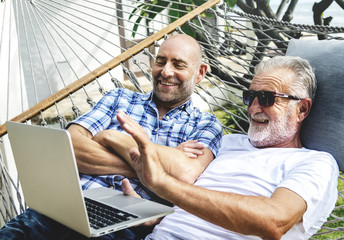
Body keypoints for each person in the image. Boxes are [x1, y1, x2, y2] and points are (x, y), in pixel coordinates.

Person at [0, 34, 222, 240]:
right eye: (161, 61)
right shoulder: (120, 98)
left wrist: (111, 137)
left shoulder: (206, 125)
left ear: (200, 72)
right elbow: (69, 149)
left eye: (178, 64)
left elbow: (185, 174)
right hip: (67, 205)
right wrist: (150, 169)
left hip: (128, 221)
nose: (165, 71)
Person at [117, 55, 339, 240]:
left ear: (301, 109)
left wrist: (163, 184)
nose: (253, 108)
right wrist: (157, 215)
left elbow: (273, 221)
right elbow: (193, 203)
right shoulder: (227, 142)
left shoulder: (316, 163)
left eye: (267, 98)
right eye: (250, 96)